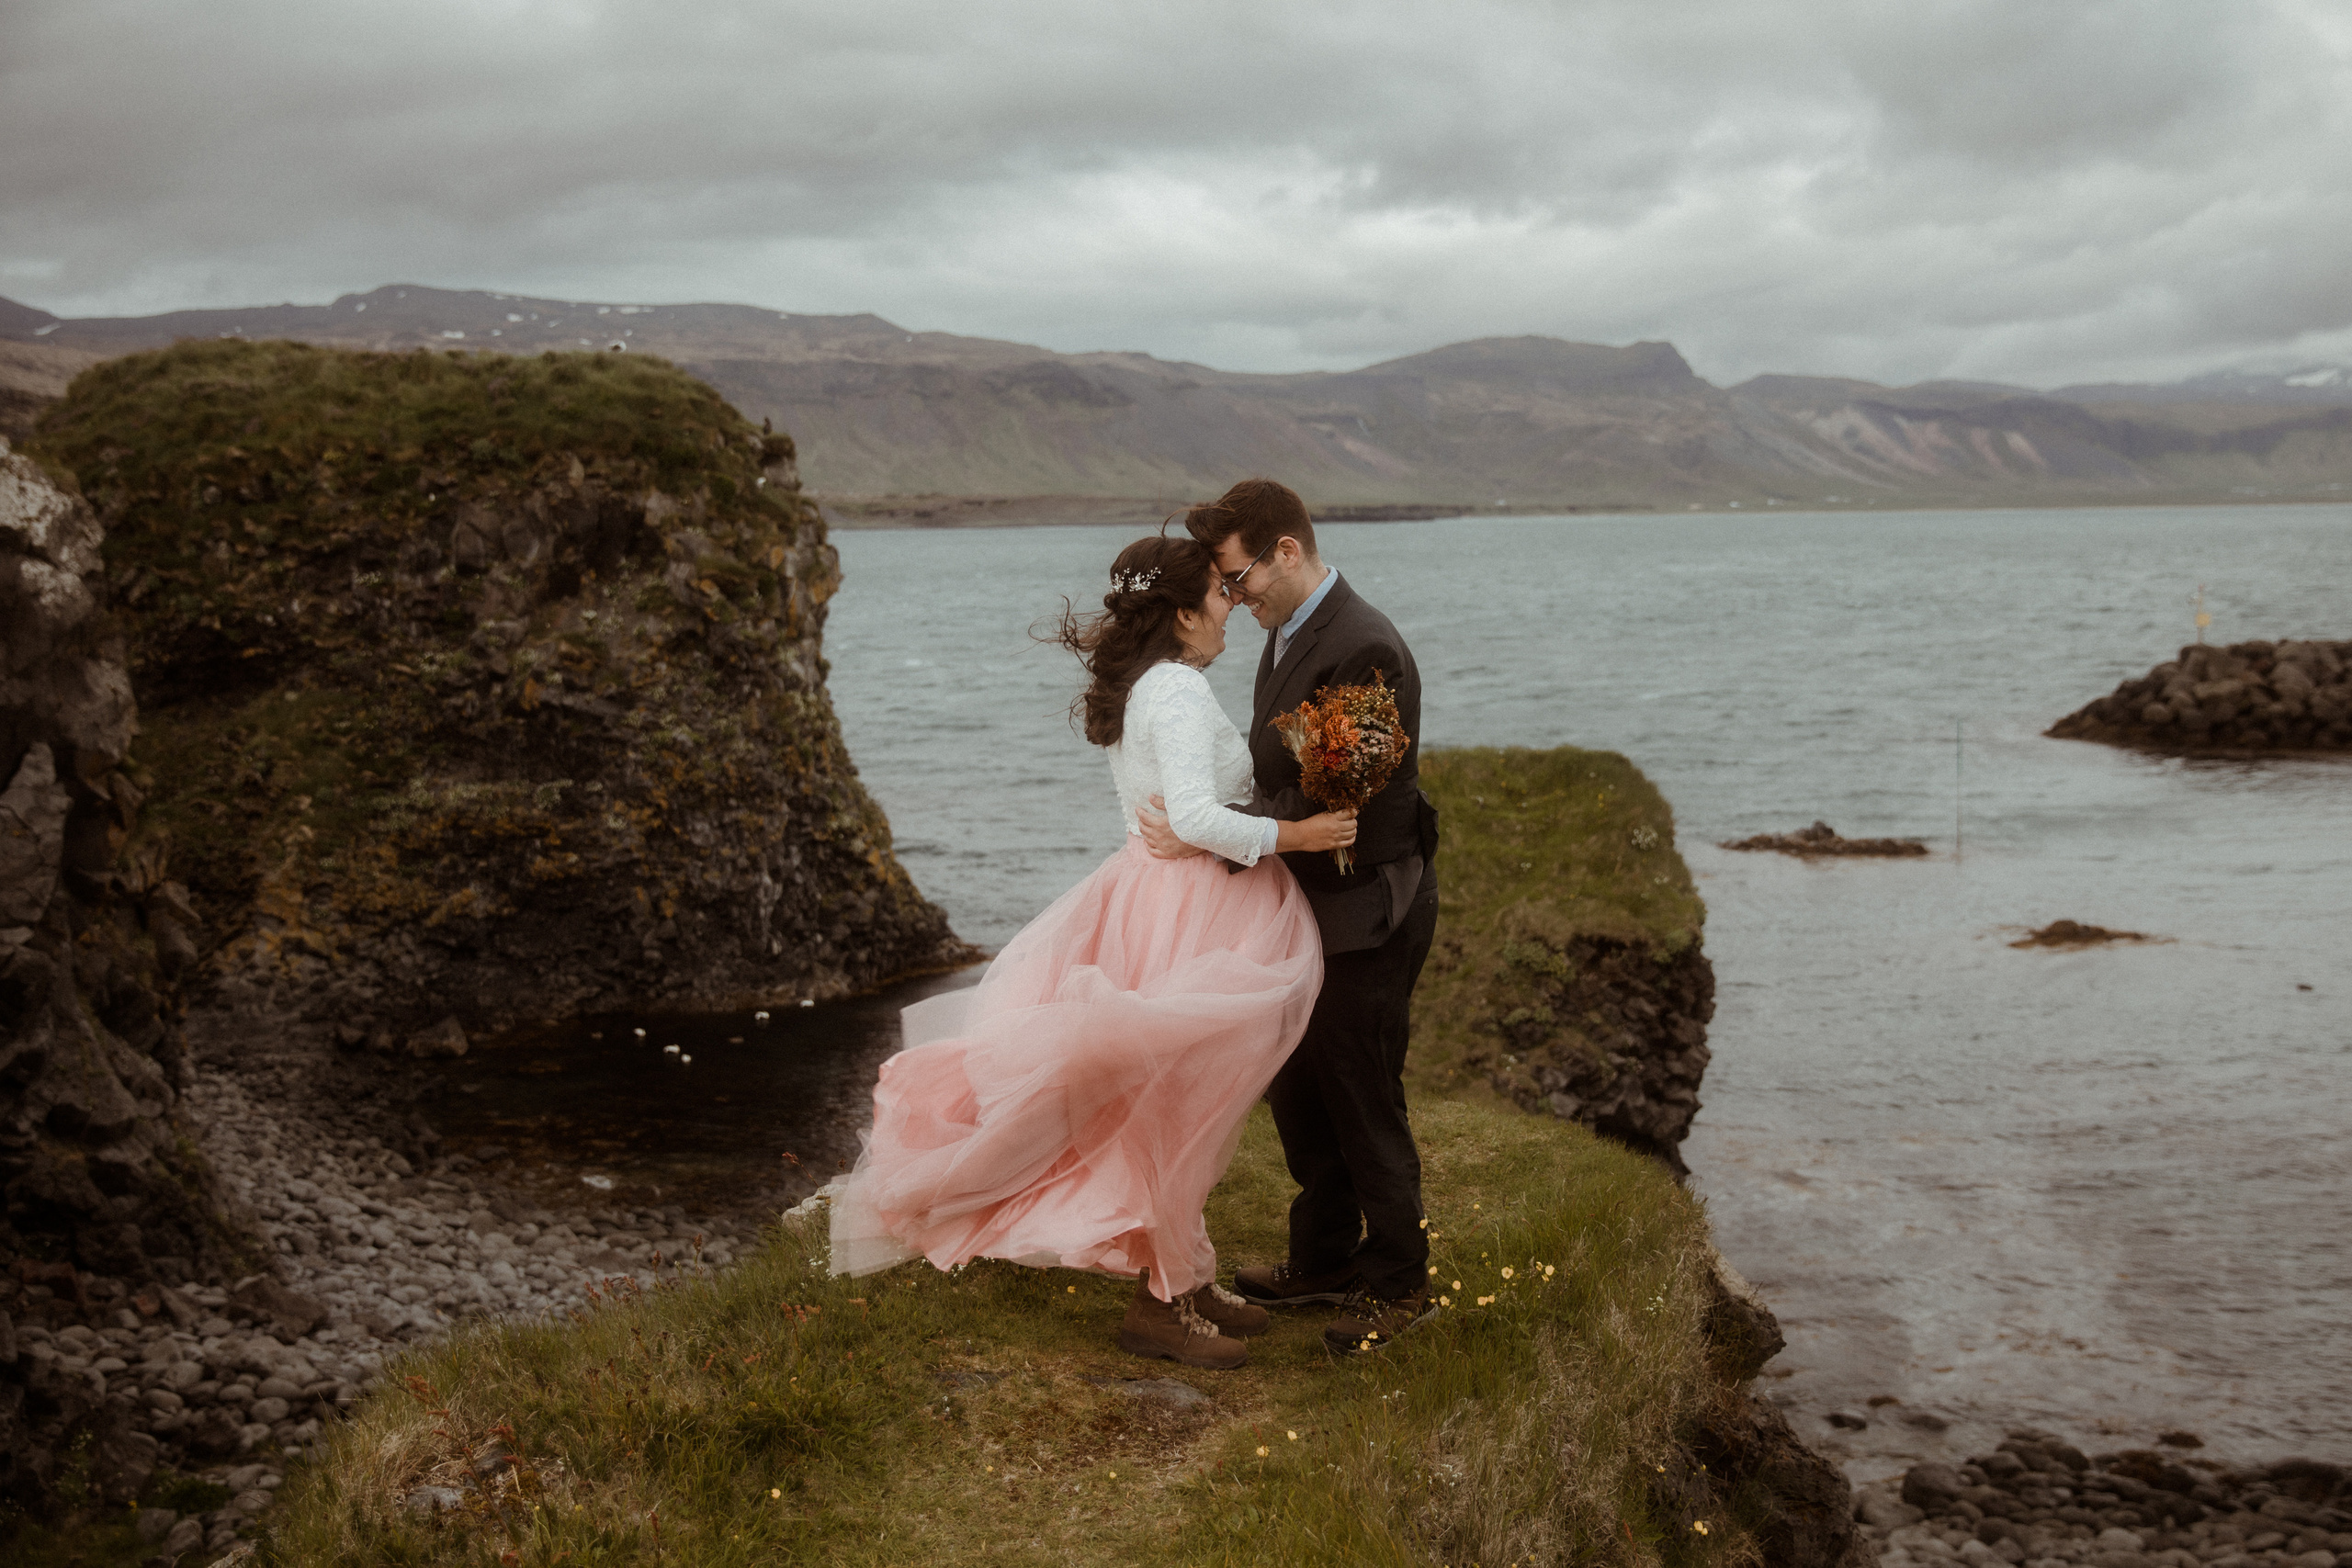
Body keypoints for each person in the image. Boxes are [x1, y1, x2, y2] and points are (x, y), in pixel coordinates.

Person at [829, 533, 1359, 1371]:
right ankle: (1161, 1305)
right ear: (1182, 612)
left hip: (1150, 896)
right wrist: (1301, 831)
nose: (1231, 608)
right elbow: (1191, 816)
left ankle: (1186, 1274)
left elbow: (1172, 812)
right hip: (1193, 908)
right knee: (1182, 1105)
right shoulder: (1178, 689)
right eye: (1220, 596)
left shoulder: (1145, 686)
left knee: (1181, 1102)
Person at [1137, 478, 1440, 1356]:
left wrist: (1207, 836)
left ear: (1287, 551)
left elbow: (1326, 792)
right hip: (1310, 899)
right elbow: (1284, 773)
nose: (1233, 597)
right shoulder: (1291, 630)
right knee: (1303, 1090)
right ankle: (1322, 1260)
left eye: (1239, 577)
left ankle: (1398, 1283)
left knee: (1361, 1087)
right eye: (1223, 587)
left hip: (1367, 902)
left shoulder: (1364, 644)